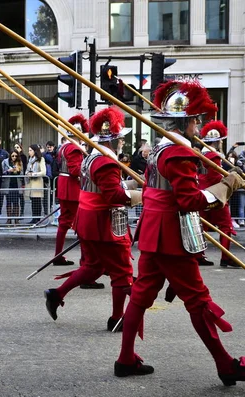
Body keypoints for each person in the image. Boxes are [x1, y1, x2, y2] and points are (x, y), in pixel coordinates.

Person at [115, 80, 245, 385]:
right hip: (172, 235)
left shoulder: (161, 149)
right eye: (196, 119)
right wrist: (224, 188)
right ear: (185, 121)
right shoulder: (179, 153)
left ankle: (125, 359)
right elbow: (190, 200)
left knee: (142, 296)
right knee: (198, 301)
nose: (199, 125)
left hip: (154, 231)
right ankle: (225, 364)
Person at [44, 106, 141, 331]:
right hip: (103, 222)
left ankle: (57, 294)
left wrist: (134, 183)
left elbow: (107, 187)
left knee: (94, 268)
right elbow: (113, 195)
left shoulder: (92, 157)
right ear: (113, 139)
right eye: (119, 139)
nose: (122, 143)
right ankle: (117, 318)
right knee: (122, 272)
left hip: (88, 220)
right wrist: (142, 194)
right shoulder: (106, 161)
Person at [196, 121, 238, 267]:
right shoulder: (213, 156)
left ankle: (198, 255)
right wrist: (230, 177)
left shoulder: (203, 154)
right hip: (215, 194)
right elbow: (215, 178)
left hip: (202, 192)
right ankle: (226, 257)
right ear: (217, 141)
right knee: (225, 226)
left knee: (201, 226)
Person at [54, 114, 87, 266]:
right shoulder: (74, 148)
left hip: (64, 185)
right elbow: (75, 170)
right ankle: (86, 259)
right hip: (71, 187)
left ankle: (58, 255)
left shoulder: (64, 146)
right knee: (80, 223)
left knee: (64, 222)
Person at [2, 150, 24, 224]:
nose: (14, 157)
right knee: (8, 202)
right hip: (8, 184)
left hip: (17, 184)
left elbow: (22, 174)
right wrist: (8, 171)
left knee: (16, 202)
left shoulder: (20, 162)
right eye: (13, 156)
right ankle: (9, 219)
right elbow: (2, 172)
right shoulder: (5, 162)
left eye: (16, 156)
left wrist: (17, 171)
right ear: (10, 156)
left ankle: (16, 219)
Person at [25, 144, 46, 224]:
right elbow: (27, 169)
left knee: (37, 201)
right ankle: (34, 218)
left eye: (30, 150)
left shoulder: (41, 159)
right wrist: (28, 173)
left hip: (37, 183)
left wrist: (34, 174)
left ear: (35, 151)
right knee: (33, 201)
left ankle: (37, 219)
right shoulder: (30, 159)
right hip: (30, 183)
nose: (29, 152)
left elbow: (43, 172)